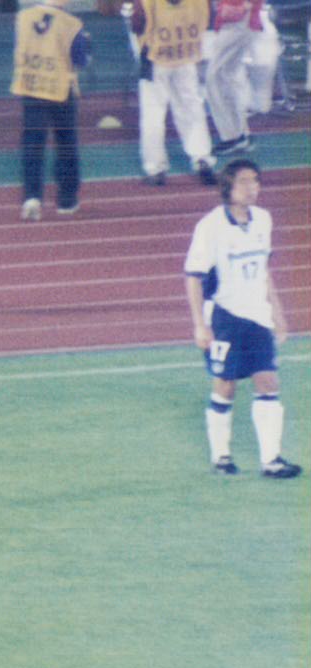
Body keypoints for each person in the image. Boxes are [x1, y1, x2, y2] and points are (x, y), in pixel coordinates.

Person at [184, 159, 299, 478]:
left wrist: (277, 313)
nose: (252, 188)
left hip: (258, 317)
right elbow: (193, 276)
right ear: (228, 187)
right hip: (225, 318)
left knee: (268, 381)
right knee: (226, 386)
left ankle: (271, 460)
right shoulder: (210, 227)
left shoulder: (263, 220)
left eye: (255, 181)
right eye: (244, 181)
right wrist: (199, 324)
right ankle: (221, 456)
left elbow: (264, 271)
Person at [10, 0, 91, 221]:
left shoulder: (23, 18)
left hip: (31, 87)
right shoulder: (72, 24)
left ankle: (32, 197)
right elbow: (80, 60)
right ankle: (67, 200)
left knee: (32, 144)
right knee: (66, 144)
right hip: (60, 90)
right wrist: (87, 45)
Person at [128, 0, 216, 187]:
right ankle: (202, 158)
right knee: (192, 110)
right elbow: (208, 18)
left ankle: (156, 168)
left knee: (153, 116)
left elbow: (137, 24)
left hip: (155, 60)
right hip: (186, 57)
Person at [205, 0, 266, 155]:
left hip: (237, 20)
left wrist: (244, 7)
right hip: (240, 19)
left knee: (215, 79)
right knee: (227, 77)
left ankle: (232, 137)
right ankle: (241, 134)